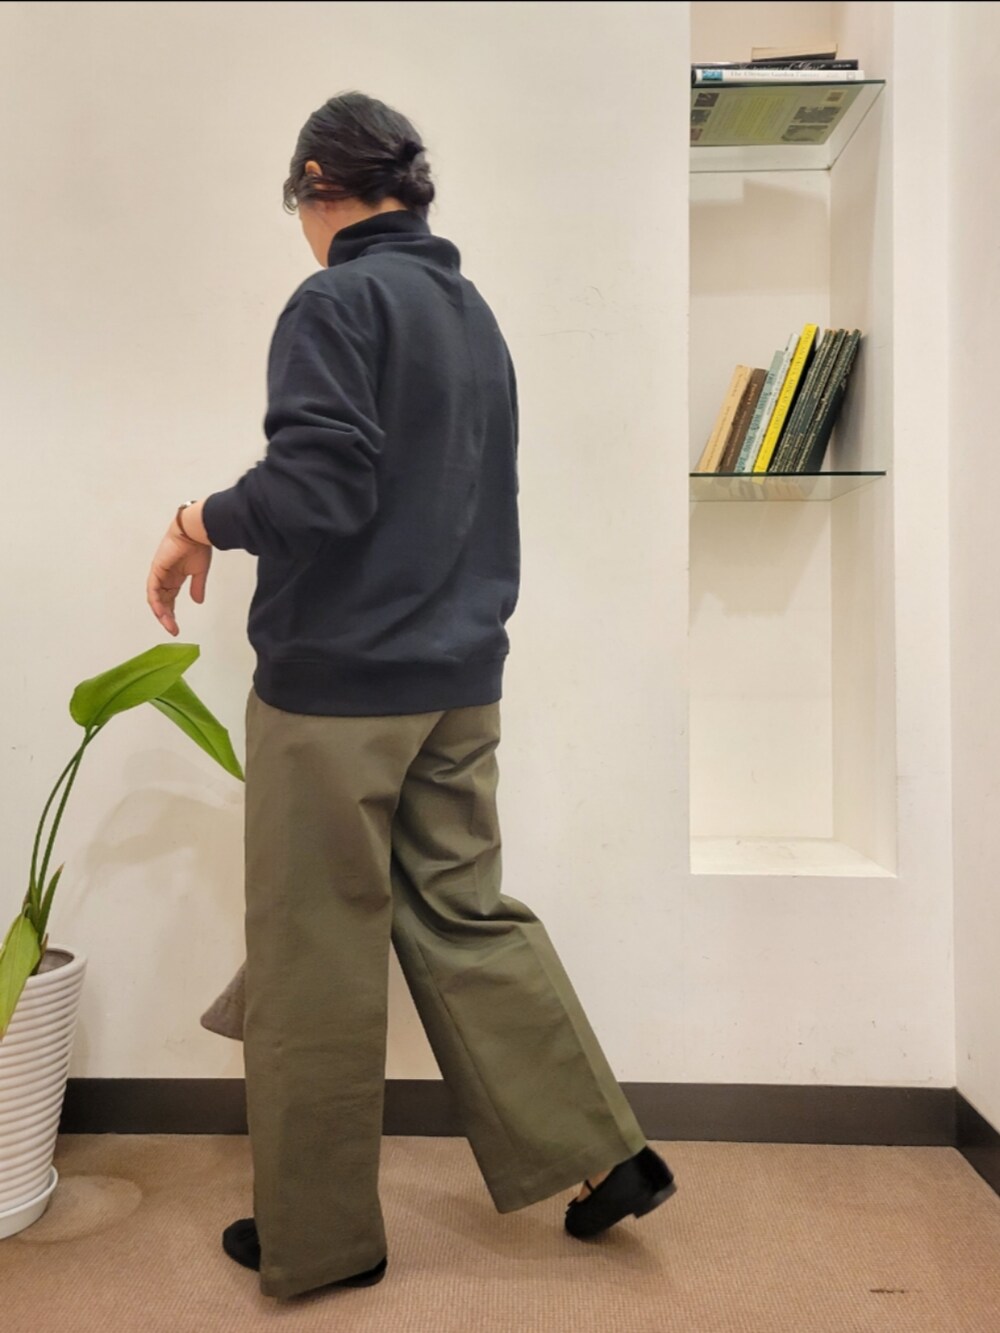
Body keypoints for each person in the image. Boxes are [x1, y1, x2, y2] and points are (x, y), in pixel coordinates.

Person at [145, 91, 676, 1302]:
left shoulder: (335, 300)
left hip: (338, 692)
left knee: (314, 951)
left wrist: (197, 518)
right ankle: (607, 1153)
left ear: (317, 182)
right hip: (458, 680)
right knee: (465, 915)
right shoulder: (468, 311)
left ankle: (321, 1239)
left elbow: (318, 486)